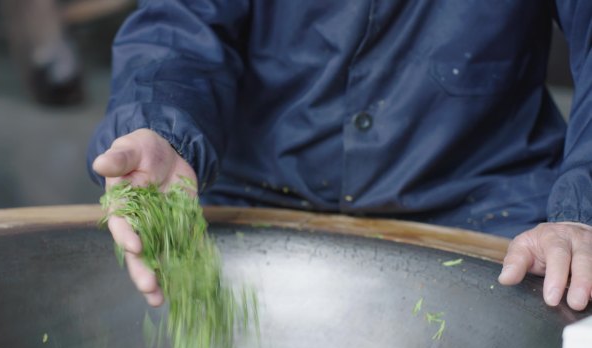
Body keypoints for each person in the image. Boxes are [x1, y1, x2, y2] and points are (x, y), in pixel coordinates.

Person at [87, 1, 592, 310]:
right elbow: (182, 21)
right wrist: (161, 126)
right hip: (257, 196)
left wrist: (582, 214)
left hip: (484, 202)